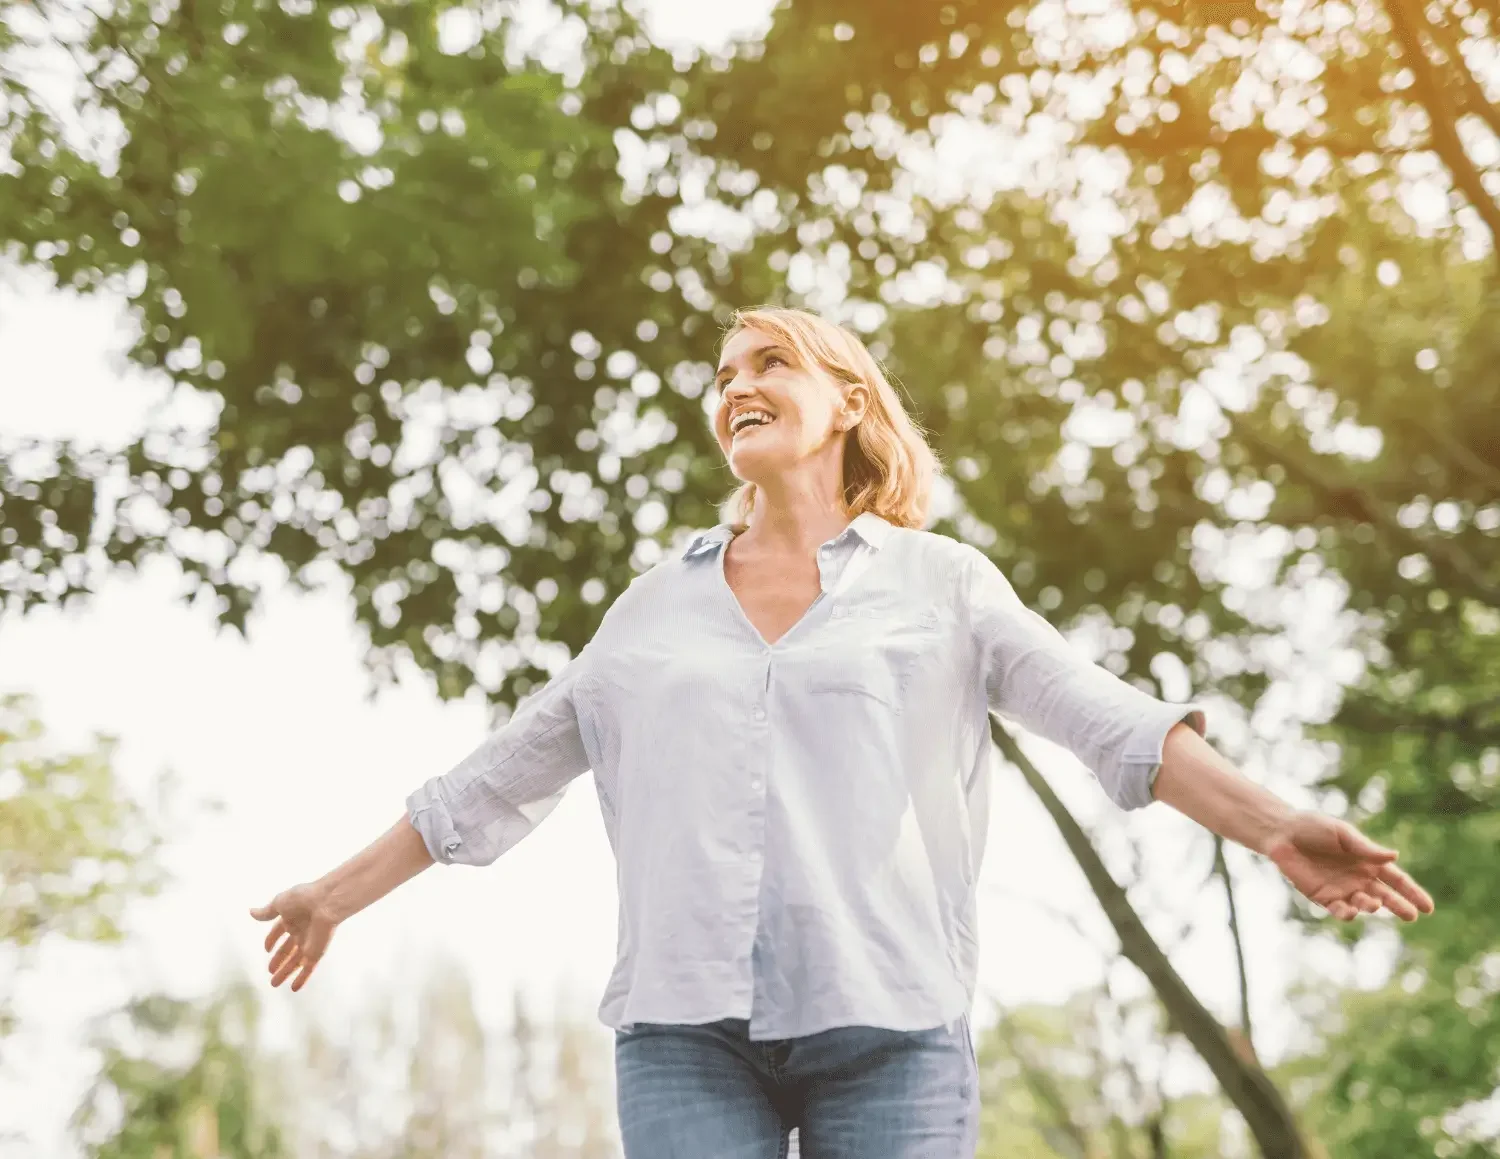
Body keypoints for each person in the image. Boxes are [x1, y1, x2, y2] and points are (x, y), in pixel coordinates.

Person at [251, 306, 1434, 1158]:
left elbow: (1105, 717)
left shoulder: (942, 584)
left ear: (849, 403)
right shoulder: (653, 608)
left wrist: (1275, 823)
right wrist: (331, 895)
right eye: (723, 374)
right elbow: (498, 774)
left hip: (893, 1027)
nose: (735, 385)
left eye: (770, 361)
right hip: (684, 1035)